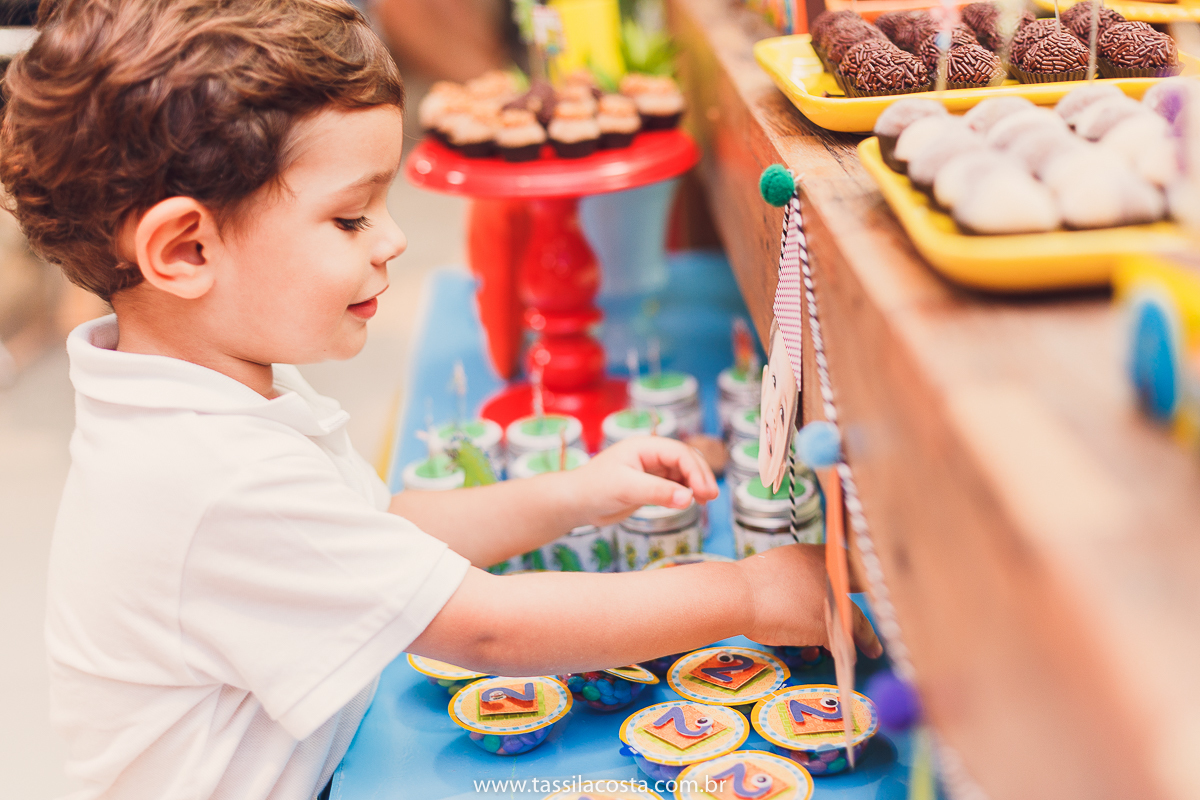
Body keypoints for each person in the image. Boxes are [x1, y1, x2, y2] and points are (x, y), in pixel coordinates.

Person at [0, 1, 882, 798]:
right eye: (351, 219)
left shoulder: (204, 385)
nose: (391, 241)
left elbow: (379, 530)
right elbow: (490, 630)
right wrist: (751, 594)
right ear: (185, 251)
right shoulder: (205, 478)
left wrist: (575, 495)